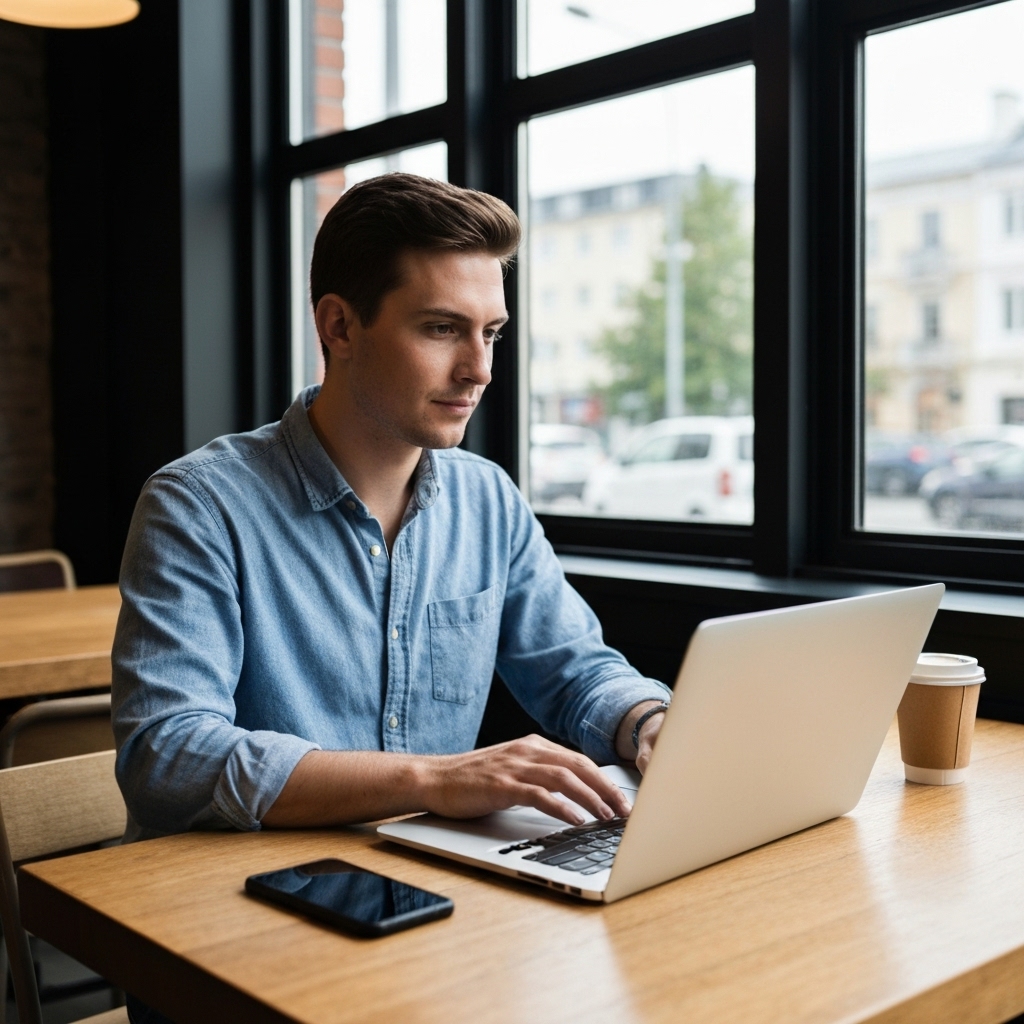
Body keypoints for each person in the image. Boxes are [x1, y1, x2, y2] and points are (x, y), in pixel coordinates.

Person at [112, 173, 672, 850]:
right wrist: (430, 780)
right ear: (340, 326)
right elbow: (167, 756)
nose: (479, 369)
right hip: (242, 903)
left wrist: (647, 722)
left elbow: (577, 672)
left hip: (423, 887)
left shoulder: (488, 499)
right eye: (442, 329)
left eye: (490, 333)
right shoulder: (199, 505)